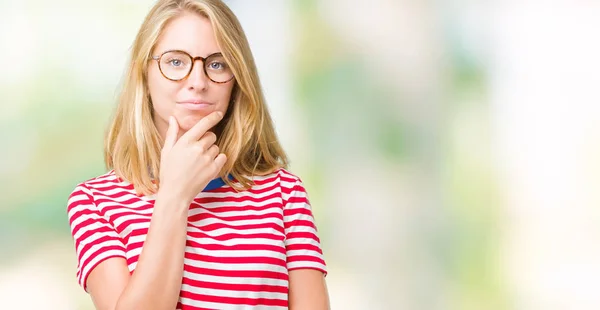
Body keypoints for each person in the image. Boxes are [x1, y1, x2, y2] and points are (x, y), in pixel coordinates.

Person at [66, 0, 329, 309]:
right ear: (144, 74)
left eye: (217, 64)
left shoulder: (284, 193)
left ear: (237, 80)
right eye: (175, 62)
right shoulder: (95, 202)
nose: (198, 82)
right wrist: (175, 195)